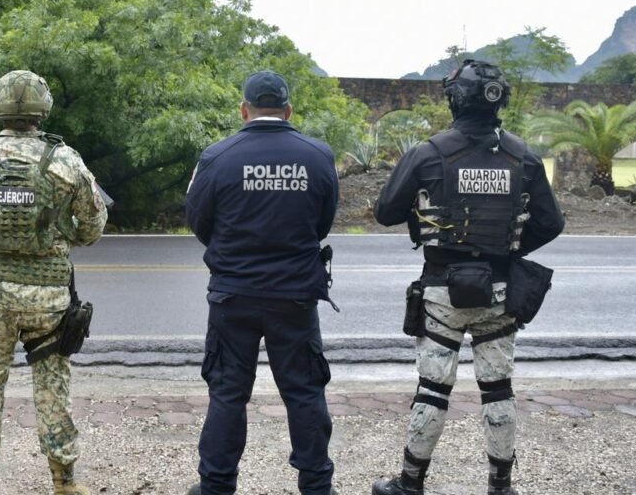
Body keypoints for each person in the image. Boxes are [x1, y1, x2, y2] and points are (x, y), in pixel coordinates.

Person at [371, 60, 565, 495]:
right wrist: (510, 250)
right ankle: (501, 486)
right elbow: (551, 223)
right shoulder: (524, 156)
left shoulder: (428, 153)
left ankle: (410, 483)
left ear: (455, 98)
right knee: (499, 389)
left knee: (433, 389)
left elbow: (385, 213)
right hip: (499, 292)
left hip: (442, 292)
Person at [0, 70, 108, 495]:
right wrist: (61, 236)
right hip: (49, 297)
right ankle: (65, 483)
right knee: (53, 387)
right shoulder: (66, 161)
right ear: (42, 108)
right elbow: (91, 228)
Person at [184, 70, 340, 495]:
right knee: (305, 391)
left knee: (228, 392)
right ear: (288, 110)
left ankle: (215, 486)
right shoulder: (318, 155)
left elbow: (199, 220)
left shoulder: (217, 156)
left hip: (234, 295)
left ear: (244, 110)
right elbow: (322, 223)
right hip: (295, 295)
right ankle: (316, 486)